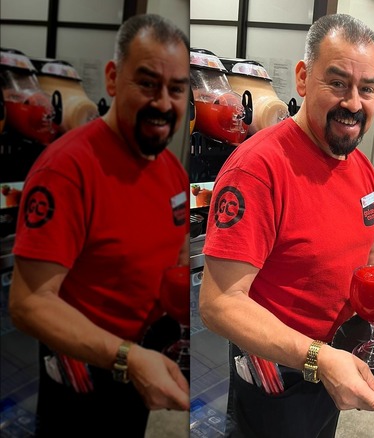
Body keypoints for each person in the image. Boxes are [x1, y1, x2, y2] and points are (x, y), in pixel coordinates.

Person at [198, 14, 374, 437]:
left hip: (334, 359)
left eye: (366, 89)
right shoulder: (258, 169)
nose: (353, 102)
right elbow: (219, 304)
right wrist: (318, 358)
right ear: (304, 79)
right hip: (278, 372)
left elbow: (372, 259)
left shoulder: (362, 169)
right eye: (338, 83)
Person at [9, 14, 190, 436]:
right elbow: (28, 302)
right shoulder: (67, 170)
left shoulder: (171, 171)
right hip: (84, 369)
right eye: (147, 83)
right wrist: (126, 356)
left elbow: (174, 251)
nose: (163, 103)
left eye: (176, 89)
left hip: (141, 359)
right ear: (112, 78)